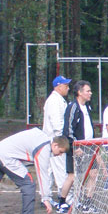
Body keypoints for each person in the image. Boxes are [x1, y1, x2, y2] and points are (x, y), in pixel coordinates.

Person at [0, 129, 70, 214]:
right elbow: (43, 174)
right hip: (6, 157)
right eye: (60, 152)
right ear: (55, 145)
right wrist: (45, 198)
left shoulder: (42, 137)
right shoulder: (44, 148)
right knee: (28, 184)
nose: (59, 155)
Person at [60, 80, 96, 213]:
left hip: (89, 146)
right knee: (73, 175)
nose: (90, 93)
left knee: (93, 173)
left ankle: (87, 201)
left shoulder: (88, 107)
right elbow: (68, 130)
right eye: (88, 91)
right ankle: (62, 202)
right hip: (76, 147)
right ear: (79, 93)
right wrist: (75, 146)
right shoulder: (73, 107)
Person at [42, 75, 71, 205]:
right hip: (55, 141)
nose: (68, 88)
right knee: (59, 170)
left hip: (51, 140)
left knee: (48, 171)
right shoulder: (54, 101)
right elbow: (57, 124)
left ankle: (46, 197)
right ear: (59, 87)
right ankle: (64, 198)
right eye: (66, 86)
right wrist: (63, 140)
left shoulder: (58, 100)